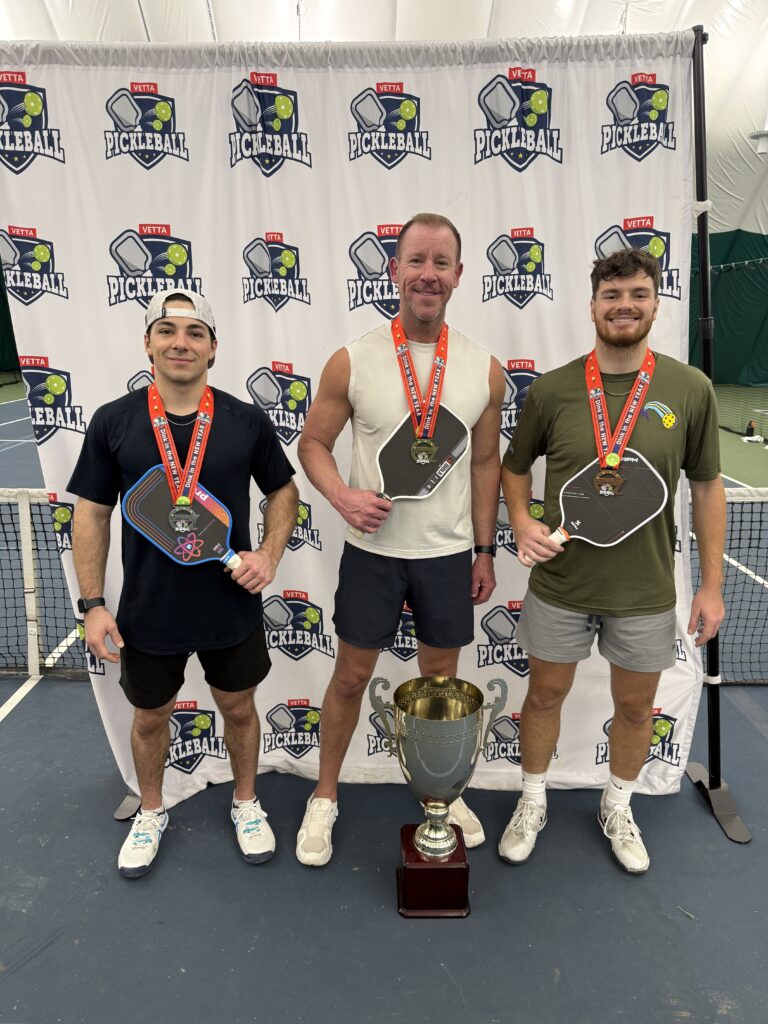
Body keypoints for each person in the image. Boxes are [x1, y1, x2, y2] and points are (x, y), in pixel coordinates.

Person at [500, 248, 725, 874]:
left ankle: (618, 802)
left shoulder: (690, 388)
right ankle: (532, 798)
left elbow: (707, 487)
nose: (624, 306)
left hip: (647, 590)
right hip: (561, 584)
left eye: (638, 295)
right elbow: (515, 470)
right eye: (612, 296)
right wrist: (521, 521)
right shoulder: (552, 389)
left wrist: (711, 585)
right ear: (593, 306)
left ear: (656, 303)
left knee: (634, 708)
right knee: (544, 695)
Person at [294, 212, 505, 866]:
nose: (428, 274)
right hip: (374, 558)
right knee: (352, 678)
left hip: (445, 557)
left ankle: (438, 794)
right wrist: (340, 494)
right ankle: (324, 796)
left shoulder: (483, 369)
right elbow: (313, 443)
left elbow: (484, 463)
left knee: (439, 686)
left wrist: (484, 549)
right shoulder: (352, 359)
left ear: (459, 277)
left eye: (442, 263)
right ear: (394, 270)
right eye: (417, 260)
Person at [69, 289, 298, 878]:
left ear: (214, 349)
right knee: (149, 718)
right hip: (149, 610)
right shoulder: (113, 422)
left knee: (240, 709)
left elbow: (283, 491)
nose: (181, 342)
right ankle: (152, 809)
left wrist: (269, 554)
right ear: (147, 343)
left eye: (196, 333)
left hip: (230, 606)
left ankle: (246, 802)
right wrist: (93, 604)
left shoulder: (245, 419)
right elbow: (91, 513)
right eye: (167, 330)